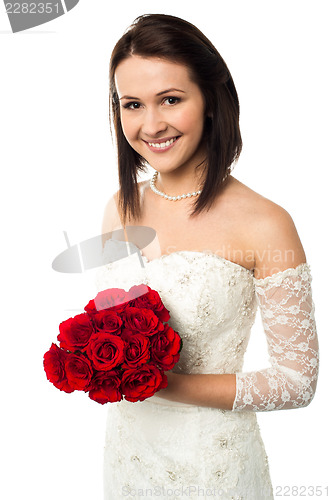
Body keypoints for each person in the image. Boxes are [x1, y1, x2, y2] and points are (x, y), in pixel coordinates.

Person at [94, 13, 319, 500]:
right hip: (129, 460)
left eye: (171, 99)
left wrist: (162, 383)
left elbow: (297, 381)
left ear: (211, 100)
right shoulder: (118, 207)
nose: (151, 124)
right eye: (132, 104)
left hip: (213, 468)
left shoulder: (265, 223)